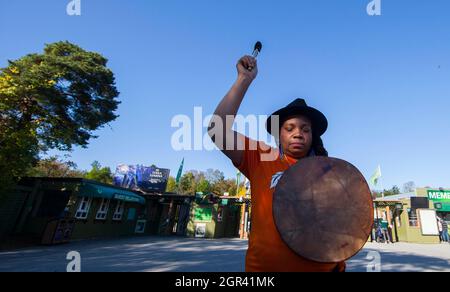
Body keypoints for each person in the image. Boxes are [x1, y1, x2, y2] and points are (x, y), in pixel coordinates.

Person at [208, 55, 345, 272]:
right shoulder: (261, 157)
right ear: (278, 135)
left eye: (305, 129)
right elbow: (217, 130)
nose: (298, 133)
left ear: (313, 136)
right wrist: (243, 80)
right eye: (289, 128)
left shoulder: (329, 173)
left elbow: (343, 224)